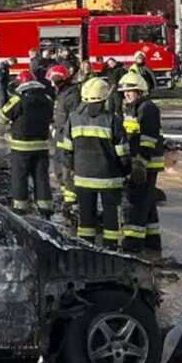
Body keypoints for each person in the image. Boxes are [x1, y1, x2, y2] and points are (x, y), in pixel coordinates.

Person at [62, 77, 130, 250]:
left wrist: (73, 169)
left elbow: (67, 149)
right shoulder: (112, 120)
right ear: (104, 98)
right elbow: (122, 152)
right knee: (110, 215)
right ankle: (111, 247)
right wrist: (126, 171)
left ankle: (86, 247)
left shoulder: (73, 118)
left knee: (86, 216)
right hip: (109, 178)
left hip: (83, 177)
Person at [118, 71, 164, 253]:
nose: (126, 95)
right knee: (148, 203)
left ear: (141, 91)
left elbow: (148, 138)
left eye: (130, 91)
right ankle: (152, 242)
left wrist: (140, 162)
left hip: (146, 163)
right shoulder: (133, 108)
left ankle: (132, 244)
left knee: (135, 204)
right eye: (124, 92)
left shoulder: (147, 108)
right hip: (141, 162)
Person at [0, 70, 55, 217]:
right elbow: (52, 117)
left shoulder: (18, 100)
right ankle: (45, 209)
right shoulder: (47, 99)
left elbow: (2, 117)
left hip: (21, 146)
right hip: (42, 145)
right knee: (42, 178)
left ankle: (20, 208)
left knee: (19, 177)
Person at [48, 64, 78, 220]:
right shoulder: (62, 94)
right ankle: (66, 197)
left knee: (68, 171)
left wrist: (64, 134)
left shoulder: (71, 96)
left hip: (66, 138)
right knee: (59, 168)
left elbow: (72, 119)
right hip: (59, 136)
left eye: (54, 81)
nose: (52, 84)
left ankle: (71, 202)